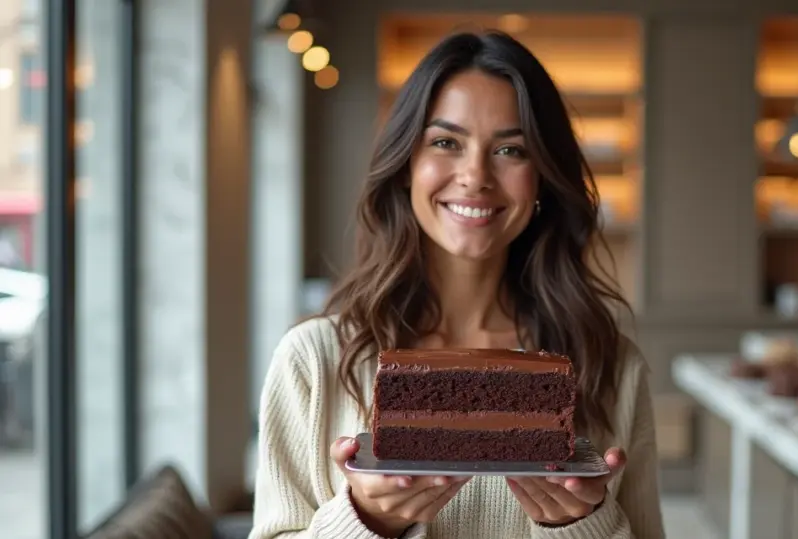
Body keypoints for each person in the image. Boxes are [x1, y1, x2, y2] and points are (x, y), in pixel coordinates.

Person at [249, 29, 665, 539]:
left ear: (541, 178)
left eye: (510, 150)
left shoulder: (610, 366)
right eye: (445, 142)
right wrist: (367, 521)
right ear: (406, 165)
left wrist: (583, 526)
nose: (475, 176)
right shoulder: (313, 361)